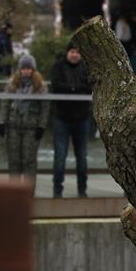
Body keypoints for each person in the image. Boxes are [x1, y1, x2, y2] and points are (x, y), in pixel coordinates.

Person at [0, 54, 49, 191]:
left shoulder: (40, 87)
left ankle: (28, 193)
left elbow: (45, 108)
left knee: (29, 162)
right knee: (14, 161)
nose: (26, 71)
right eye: (24, 68)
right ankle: (14, 193)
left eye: (29, 69)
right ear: (19, 69)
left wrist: (41, 126)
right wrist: (2, 122)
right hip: (13, 127)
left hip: (31, 128)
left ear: (33, 70)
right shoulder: (12, 85)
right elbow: (5, 103)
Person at [50, 42, 91, 198]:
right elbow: (56, 86)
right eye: (72, 51)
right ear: (67, 52)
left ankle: (82, 190)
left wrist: (72, 88)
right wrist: (76, 88)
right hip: (62, 118)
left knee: (82, 157)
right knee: (60, 156)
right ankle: (57, 191)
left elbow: (90, 87)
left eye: (77, 52)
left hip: (81, 118)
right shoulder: (58, 67)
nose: (75, 55)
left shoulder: (86, 68)